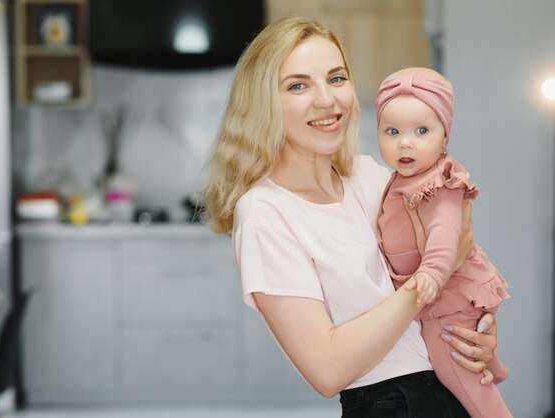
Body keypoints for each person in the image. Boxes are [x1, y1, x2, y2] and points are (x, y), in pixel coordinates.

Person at [201, 16, 505, 417]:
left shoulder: (373, 176)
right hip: (391, 404)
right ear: (264, 103)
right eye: (298, 85)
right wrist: (426, 285)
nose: (326, 100)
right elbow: (327, 370)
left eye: (336, 78)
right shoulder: (265, 213)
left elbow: (457, 251)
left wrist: (476, 328)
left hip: (450, 387)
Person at [374, 66, 512, 417]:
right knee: (471, 355)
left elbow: (446, 234)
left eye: (422, 130)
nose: (405, 142)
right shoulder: (403, 177)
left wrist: (433, 274)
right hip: (445, 291)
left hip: (445, 295)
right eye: (392, 131)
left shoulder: (439, 184)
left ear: (444, 137)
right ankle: (495, 367)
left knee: (454, 369)